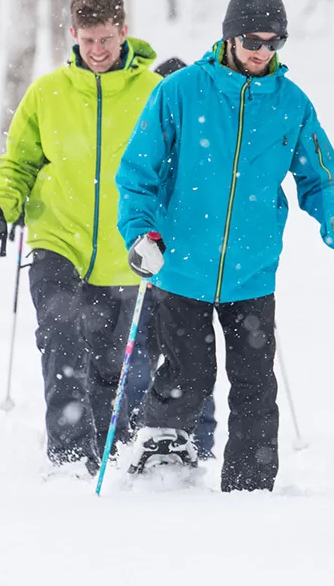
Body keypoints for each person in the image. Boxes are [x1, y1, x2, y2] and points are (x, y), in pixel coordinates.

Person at [115, 0, 334, 492]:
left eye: (274, 42)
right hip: (181, 264)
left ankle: (251, 487)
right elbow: (137, 174)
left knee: (255, 384)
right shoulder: (181, 92)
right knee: (189, 374)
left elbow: (320, 177)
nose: (262, 52)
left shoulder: (291, 104)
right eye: (253, 41)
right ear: (230, 38)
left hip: (252, 270)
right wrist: (141, 232)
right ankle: (158, 444)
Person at [0, 0, 161, 475]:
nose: (97, 51)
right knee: (62, 340)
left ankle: (111, 454)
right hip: (58, 237)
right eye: (87, 40)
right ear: (72, 35)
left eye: (106, 39)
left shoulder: (153, 94)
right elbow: (18, 164)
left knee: (111, 366)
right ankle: (68, 457)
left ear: (124, 32)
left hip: (125, 250)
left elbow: (175, 167)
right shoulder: (47, 93)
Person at [123, 55, 218, 460]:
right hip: (149, 263)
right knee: (143, 356)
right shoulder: (148, 129)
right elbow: (132, 186)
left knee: (190, 359)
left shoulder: (206, 136)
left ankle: (199, 438)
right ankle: (140, 436)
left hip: (188, 270)